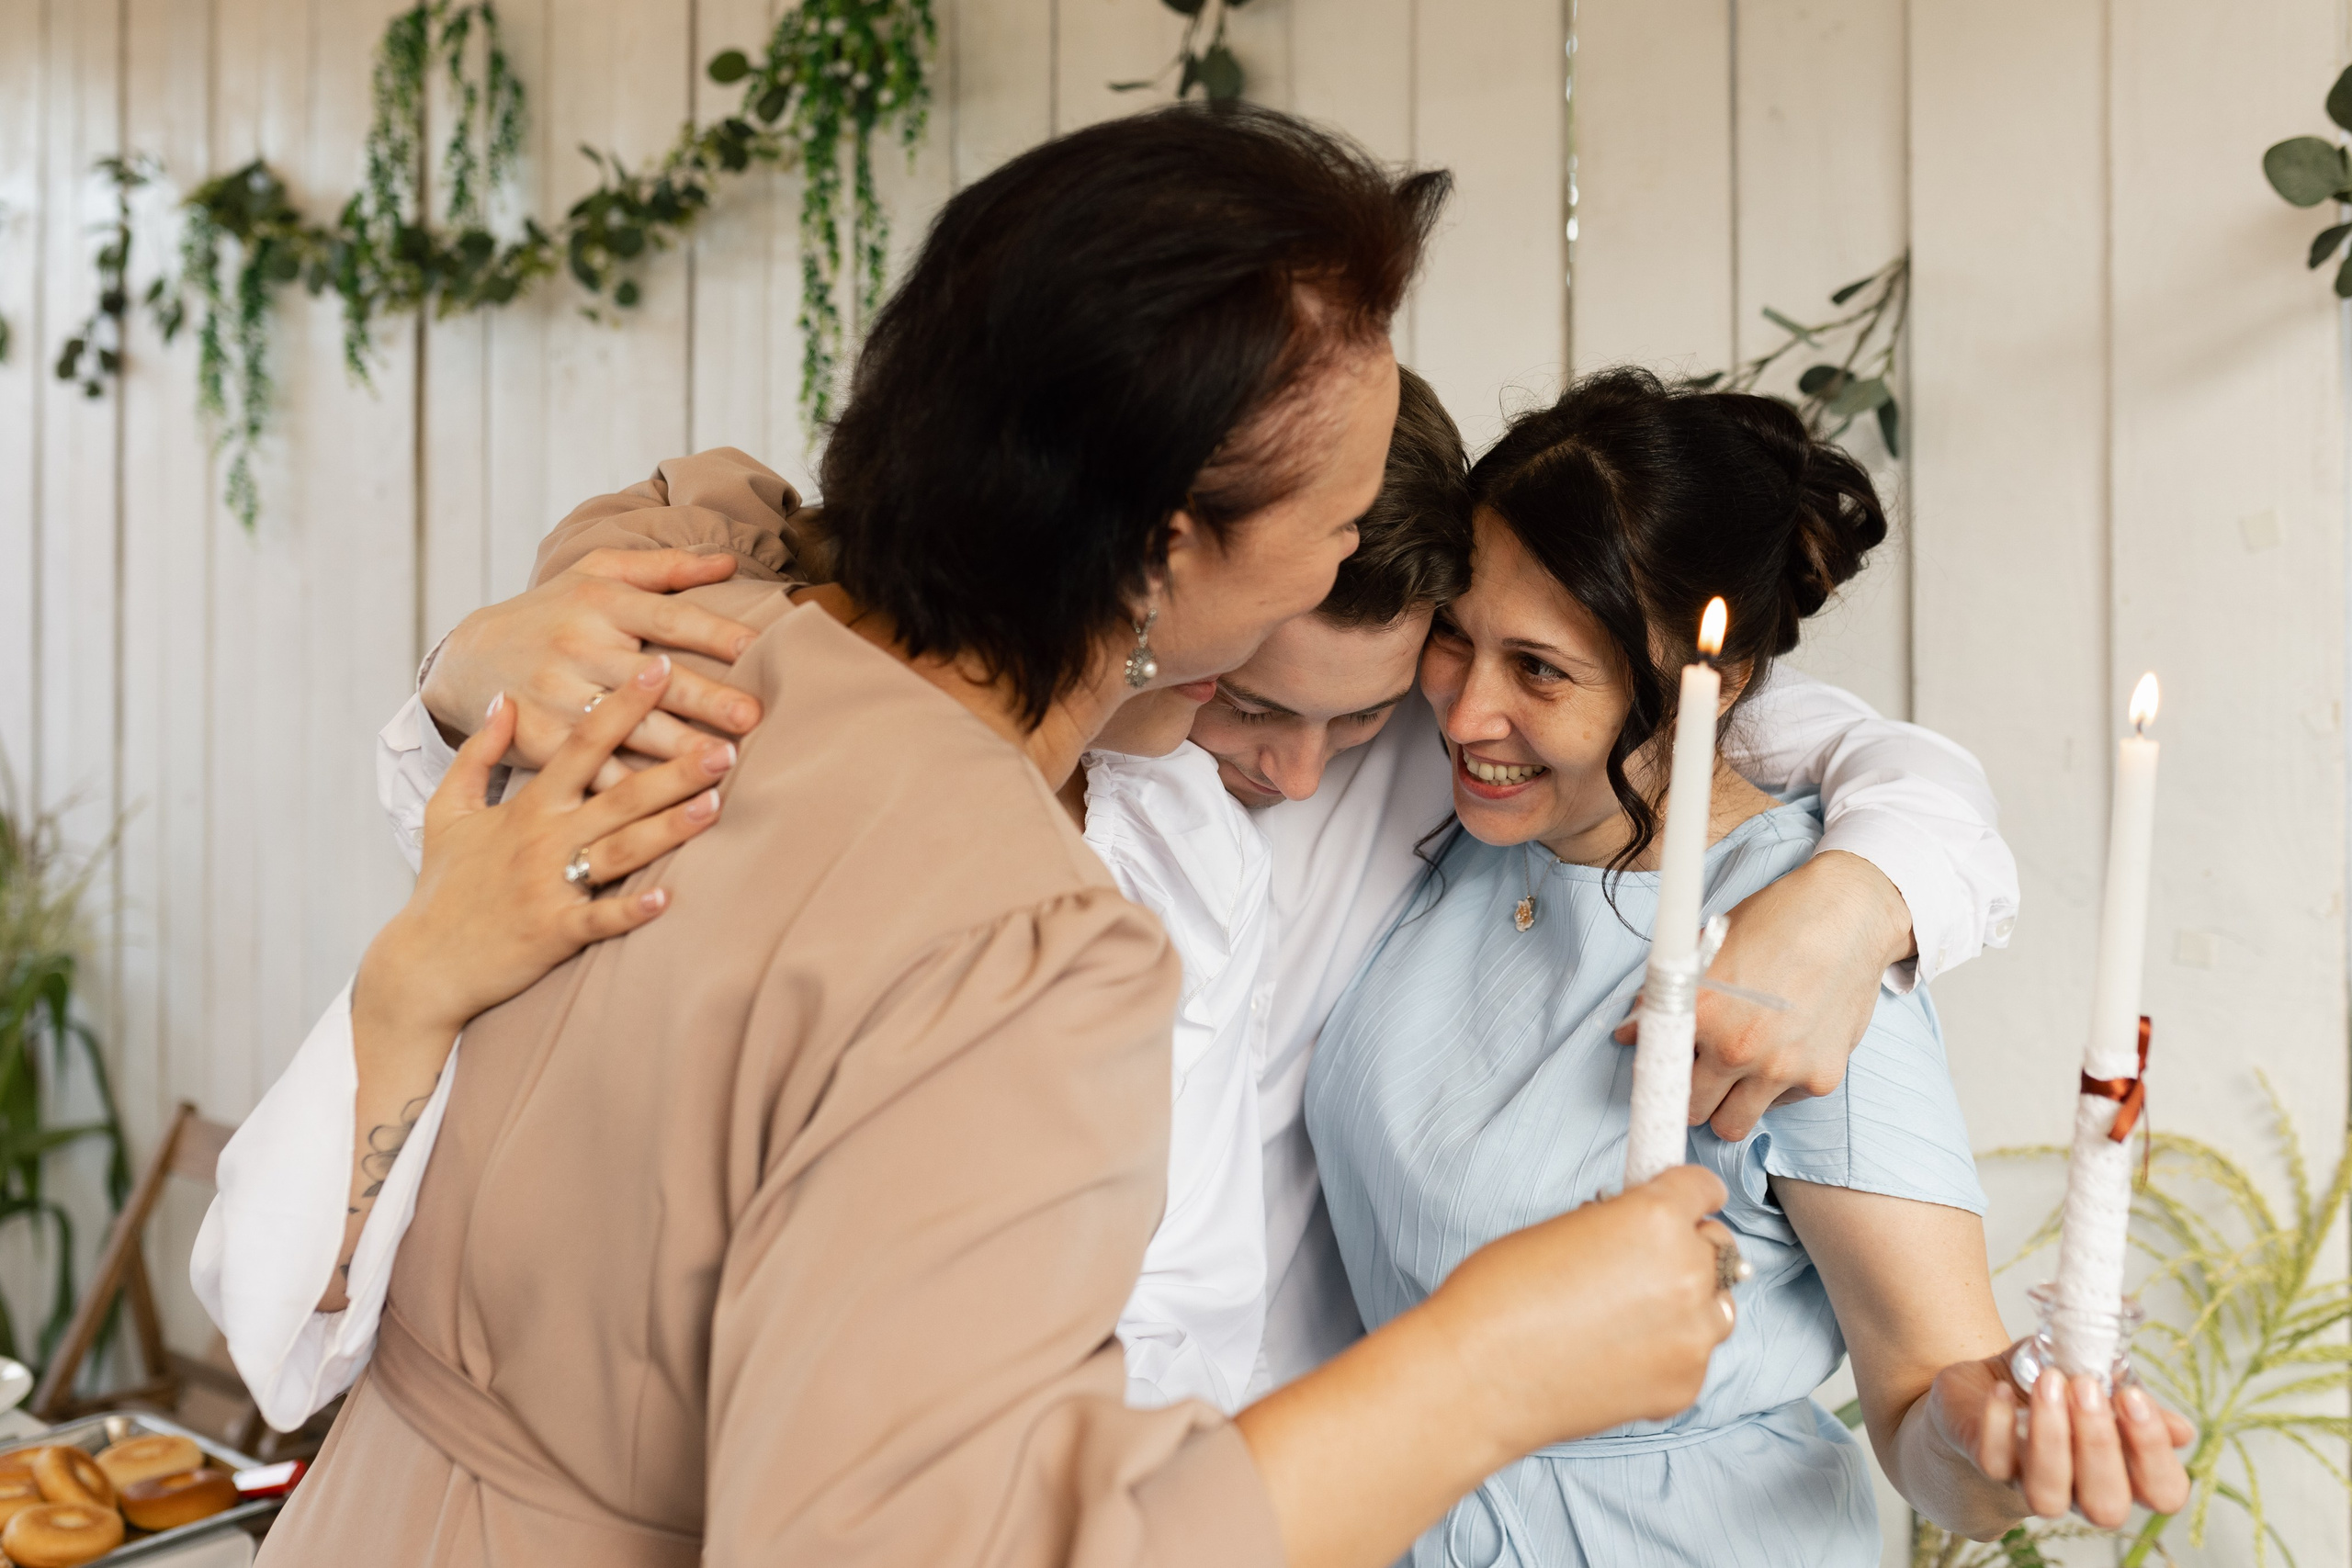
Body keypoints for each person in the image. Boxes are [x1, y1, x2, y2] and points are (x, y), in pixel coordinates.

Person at [206, 107, 1743, 1568]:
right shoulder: (1015, 935)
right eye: (1336, 517)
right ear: (1162, 548)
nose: (1363, 544)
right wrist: (1489, 1370)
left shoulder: (679, 662)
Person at [1302, 368, 2191, 1567]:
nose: (1464, 714)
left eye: (1541, 671)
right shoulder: (1459, 834)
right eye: (1455, 642)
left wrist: (1990, 1438)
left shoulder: (1796, 954)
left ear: (1698, 688)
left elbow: (1925, 1406)